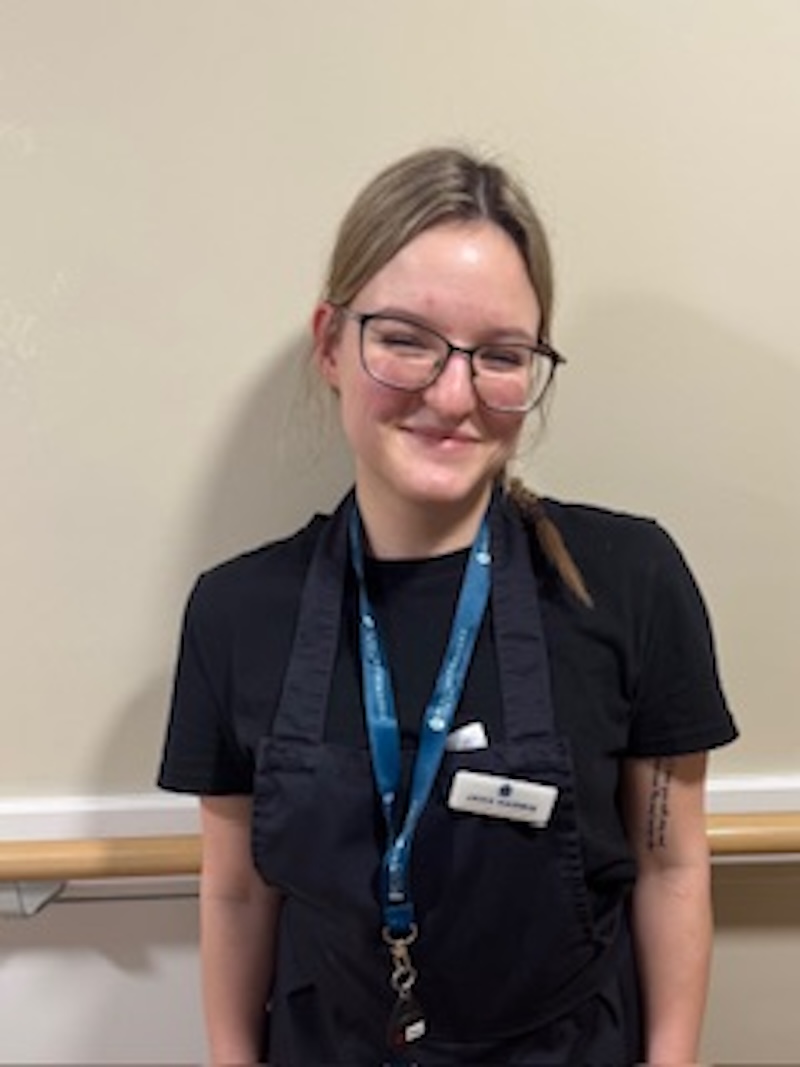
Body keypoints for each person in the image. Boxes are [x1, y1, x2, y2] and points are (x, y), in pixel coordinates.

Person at [158, 145, 737, 1065]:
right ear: (330, 346)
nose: (454, 394)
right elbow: (236, 892)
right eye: (405, 339)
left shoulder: (634, 578)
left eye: (501, 355)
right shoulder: (235, 612)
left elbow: (671, 863)